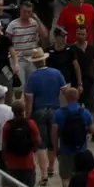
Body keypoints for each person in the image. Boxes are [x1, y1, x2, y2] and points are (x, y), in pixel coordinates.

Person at [24, 49, 69, 180]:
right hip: (55, 110)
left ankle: (43, 174)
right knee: (53, 141)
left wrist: (27, 116)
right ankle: (51, 166)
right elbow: (66, 91)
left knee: (40, 143)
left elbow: (29, 99)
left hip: (39, 111)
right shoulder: (56, 73)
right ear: (44, 60)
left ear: (34, 63)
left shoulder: (33, 77)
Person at [54, 84, 94, 187]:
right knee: (84, 177)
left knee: (65, 178)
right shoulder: (85, 113)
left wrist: (56, 149)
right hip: (82, 150)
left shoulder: (59, 114)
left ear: (66, 97)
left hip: (66, 150)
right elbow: (93, 130)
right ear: (77, 97)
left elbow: (54, 133)